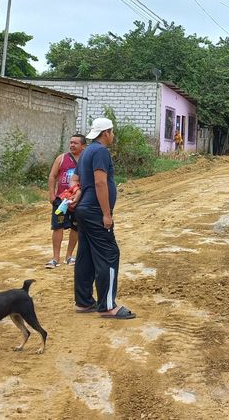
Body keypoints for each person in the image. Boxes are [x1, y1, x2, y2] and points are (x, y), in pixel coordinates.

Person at [73, 118, 135, 319]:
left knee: (86, 255)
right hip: (95, 211)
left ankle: (83, 302)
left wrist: (77, 193)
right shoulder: (100, 151)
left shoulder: (86, 152)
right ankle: (108, 306)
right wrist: (106, 214)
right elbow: (100, 183)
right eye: (112, 132)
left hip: (84, 210)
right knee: (109, 254)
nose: (113, 135)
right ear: (106, 133)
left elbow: (76, 179)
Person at [46, 134, 87, 269]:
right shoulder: (62, 158)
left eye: (75, 143)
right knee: (57, 226)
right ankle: (55, 258)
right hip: (61, 200)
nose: (72, 145)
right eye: (71, 142)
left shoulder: (86, 159)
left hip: (79, 200)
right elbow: (52, 176)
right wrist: (52, 194)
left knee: (76, 227)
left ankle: (69, 256)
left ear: (83, 146)